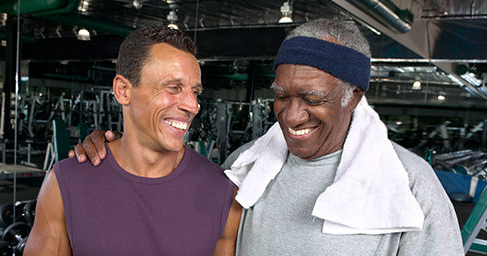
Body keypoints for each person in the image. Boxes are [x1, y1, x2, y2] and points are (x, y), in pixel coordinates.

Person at [73, 19, 464, 255]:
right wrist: (110, 156)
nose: (291, 115)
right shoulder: (246, 167)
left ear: (354, 97)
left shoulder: (409, 188)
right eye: (281, 96)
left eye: (312, 99)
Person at [24, 26, 241, 256]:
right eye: (173, 88)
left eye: (195, 92)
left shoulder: (223, 193)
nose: (193, 106)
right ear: (123, 91)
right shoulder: (66, 183)